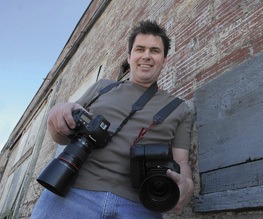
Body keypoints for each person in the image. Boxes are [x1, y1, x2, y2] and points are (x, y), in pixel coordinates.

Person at [31, 20, 193, 219]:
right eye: (140, 49)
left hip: (140, 204)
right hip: (72, 192)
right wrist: (57, 112)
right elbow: (61, 138)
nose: (146, 56)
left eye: (155, 51)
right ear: (129, 56)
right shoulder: (102, 87)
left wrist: (187, 181)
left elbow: (181, 161)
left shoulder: (180, 108)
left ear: (165, 59)